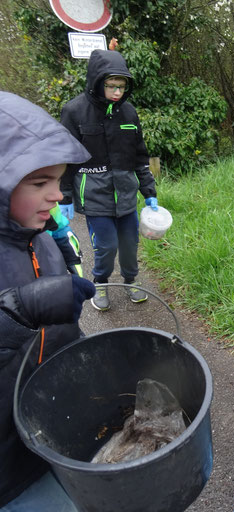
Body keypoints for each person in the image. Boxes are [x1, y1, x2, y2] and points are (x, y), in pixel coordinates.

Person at [0, 91, 96, 510]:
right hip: (9, 462)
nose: (56, 195)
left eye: (58, 180)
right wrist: (18, 309)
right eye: (39, 183)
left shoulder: (41, 237)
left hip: (57, 424)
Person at [59, 49, 159, 312]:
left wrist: (148, 190)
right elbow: (66, 157)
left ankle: (130, 281)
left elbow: (140, 156)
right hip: (94, 195)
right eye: (111, 86)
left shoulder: (129, 113)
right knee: (106, 245)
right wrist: (65, 195)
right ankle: (100, 282)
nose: (117, 92)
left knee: (129, 243)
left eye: (121, 86)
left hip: (125, 193)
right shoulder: (74, 111)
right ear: (97, 81)